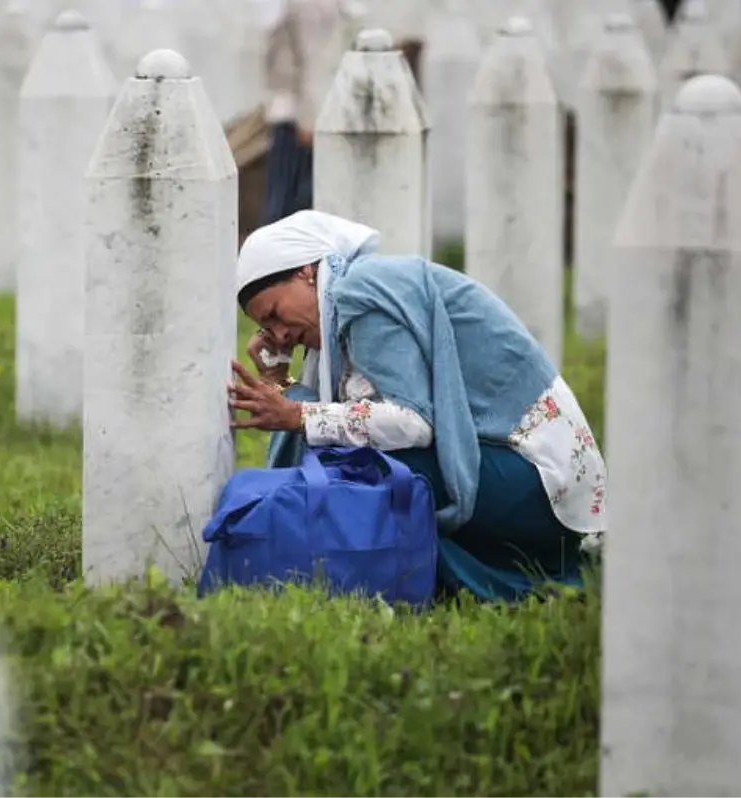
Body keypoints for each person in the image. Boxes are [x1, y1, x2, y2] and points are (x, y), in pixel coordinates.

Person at [228, 211, 607, 602]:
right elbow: (354, 415)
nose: (280, 334)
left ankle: (420, 577)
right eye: (266, 329)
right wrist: (281, 382)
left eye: (274, 314)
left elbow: (411, 422)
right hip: (522, 480)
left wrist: (298, 415)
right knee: (344, 457)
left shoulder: (360, 292)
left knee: (360, 466)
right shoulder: (349, 298)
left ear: (307, 272)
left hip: (540, 482)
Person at [260, 0, 349, 224]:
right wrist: (309, 119)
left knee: (292, 199)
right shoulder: (310, 5)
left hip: (301, 114)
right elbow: (313, 62)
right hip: (301, 117)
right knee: (291, 203)